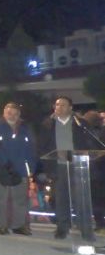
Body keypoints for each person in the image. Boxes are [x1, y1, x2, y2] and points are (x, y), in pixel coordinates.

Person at [37, 96, 95, 239]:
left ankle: (84, 228)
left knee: (81, 198)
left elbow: (90, 142)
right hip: (58, 166)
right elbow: (42, 146)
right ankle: (63, 227)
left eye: (63, 105)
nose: (59, 107)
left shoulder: (80, 123)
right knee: (60, 198)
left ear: (70, 108)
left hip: (78, 165)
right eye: (57, 105)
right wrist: (46, 166)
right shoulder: (47, 124)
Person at [0, 102, 37, 236]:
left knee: (20, 199)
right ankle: (1, 225)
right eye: (9, 113)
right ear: (4, 112)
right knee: (1, 198)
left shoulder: (25, 129)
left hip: (20, 169)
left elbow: (31, 149)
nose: (12, 115)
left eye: (15, 113)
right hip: (1, 169)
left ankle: (19, 225)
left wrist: (32, 167)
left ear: (19, 115)